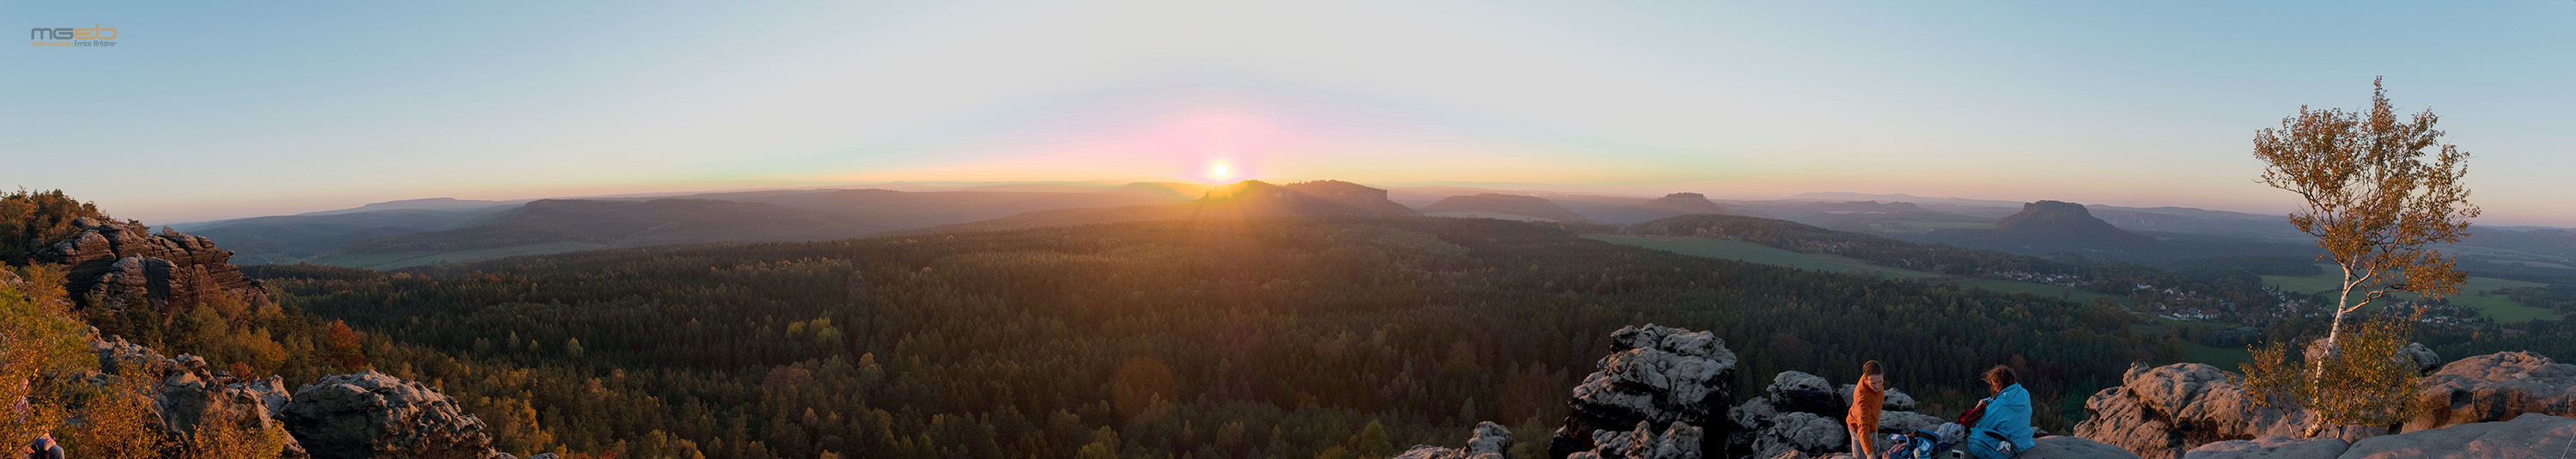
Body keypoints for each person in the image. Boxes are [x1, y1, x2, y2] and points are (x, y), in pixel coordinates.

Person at [1964, 365, 2034, 459]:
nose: (1994, 389)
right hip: (2026, 442)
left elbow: (1983, 424)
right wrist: (1989, 401)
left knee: (1975, 436)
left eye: (1995, 385)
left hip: (2010, 445)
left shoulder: (2000, 405)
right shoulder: (2024, 393)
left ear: (2000, 384)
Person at [1847, 360, 1886, 459]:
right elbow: (1862, 428)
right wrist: (1869, 453)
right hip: (1858, 428)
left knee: (1875, 450)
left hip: (1872, 425)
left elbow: (1870, 364)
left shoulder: (1872, 376)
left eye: (1880, 381)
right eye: (1873, 383)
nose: (1877, 386)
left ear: (1883, 375)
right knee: (1863, 456)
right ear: (1865, 379)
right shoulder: (1863, 399)